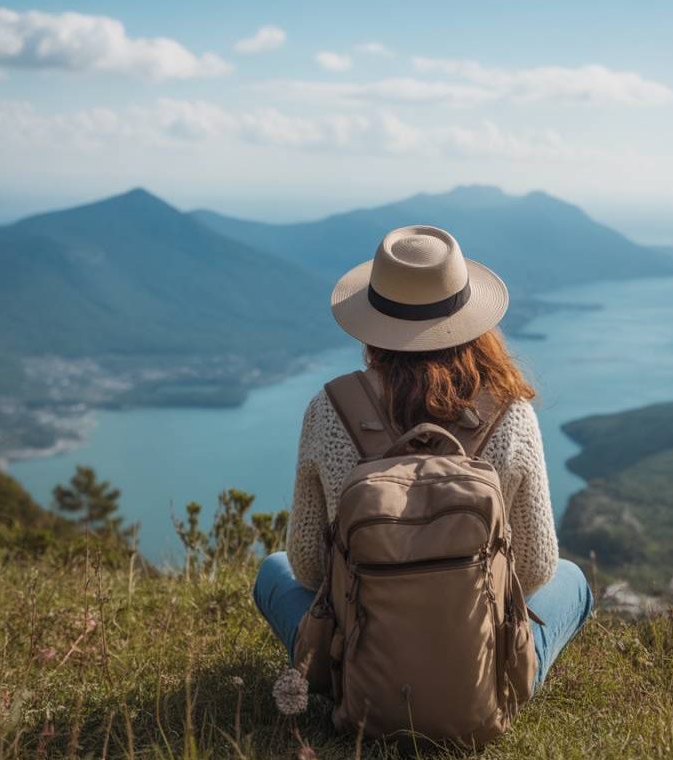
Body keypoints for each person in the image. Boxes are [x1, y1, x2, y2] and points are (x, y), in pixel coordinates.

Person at [253, 224, 593, 695]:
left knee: (273, 569)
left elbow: (308, 567)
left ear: (373, 320)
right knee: (573, 578)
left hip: (356, 672)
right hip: (479, 679)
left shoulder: (329, 408)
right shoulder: (510, 414)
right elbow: (535, 568)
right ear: (469, 319)